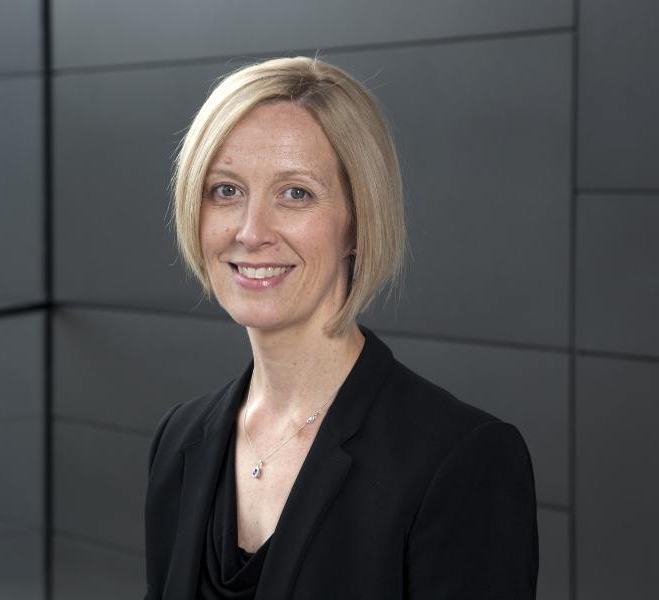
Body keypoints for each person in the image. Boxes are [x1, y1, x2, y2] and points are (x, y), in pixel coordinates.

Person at [144, 55, 538, 599]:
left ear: (359, 221)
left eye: (296, 193)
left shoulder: (462, 460)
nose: (252, 232)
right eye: (226, 190)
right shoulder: (179, 438)